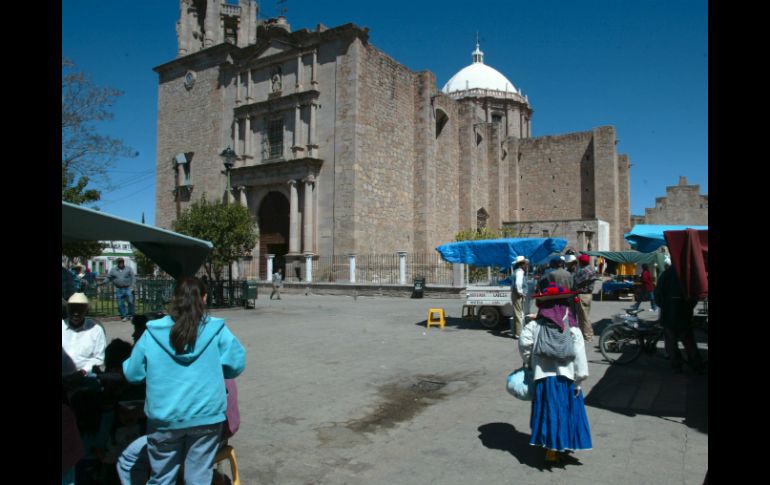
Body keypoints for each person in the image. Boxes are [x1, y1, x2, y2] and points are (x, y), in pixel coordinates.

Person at [122, 277, 246, 485]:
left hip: (164, 418)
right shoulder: (216, 330)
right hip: (206, 416)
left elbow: (133, 374)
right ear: (204, 298)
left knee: (162, 478)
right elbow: (236, 365)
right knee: (198, 478)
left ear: (174, 299)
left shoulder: (152, 332)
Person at [519, 282, 591, 466]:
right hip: (566, 379)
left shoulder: (534, 326)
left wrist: (529, 362)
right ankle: (561, 445)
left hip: (543, 378)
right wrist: (579, 380)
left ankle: (549, 448)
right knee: (564, 412)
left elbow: (524, 344)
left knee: (548, 412)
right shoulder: (573, 328)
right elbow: (580, 357)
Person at [654, 259, 705, 374]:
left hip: (668, 316)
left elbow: (657, 295)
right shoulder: (687, 275)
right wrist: (689, 307)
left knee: (671, 343)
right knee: (689, 341)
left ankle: (677, 365)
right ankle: (696, 365)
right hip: (684, 315)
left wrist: (664, 306)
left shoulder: (665, 275)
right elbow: (695, 296)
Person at [62, 293, 107, 376]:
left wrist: (83, 371)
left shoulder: (96, 330)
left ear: (86, 311)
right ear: (68, 310)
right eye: (73, 309)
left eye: (80, 310)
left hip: (85, 376)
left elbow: (99, 358)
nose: (76, 313)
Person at [573, 254, 598, 342]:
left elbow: (576, 281)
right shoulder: (591, 269)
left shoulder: (584, 270)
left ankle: (587, 336)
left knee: (583, 317)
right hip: (588, 295)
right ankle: (589, 333)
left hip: (583, 295)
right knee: (585, 316)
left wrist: (575, 271)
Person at [510, 256, 529, 339]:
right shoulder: (520, 272)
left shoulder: (516, 271)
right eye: (525, 264)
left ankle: (515, 332)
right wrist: (521, 293)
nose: (526, 265)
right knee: (519, 314)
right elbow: (518, 284)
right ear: (522, 264)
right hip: (517, 294)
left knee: (516, 313)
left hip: (515, 293)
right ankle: (519, 333)